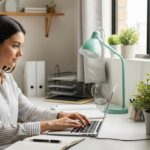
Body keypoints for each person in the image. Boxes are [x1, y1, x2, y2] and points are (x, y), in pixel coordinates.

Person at [0, 15, 91, 150]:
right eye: (15, 46)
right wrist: (49, 124)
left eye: (21, 46)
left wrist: (59, 115)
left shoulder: (8, 79)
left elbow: (28, 111)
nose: (21, 53)